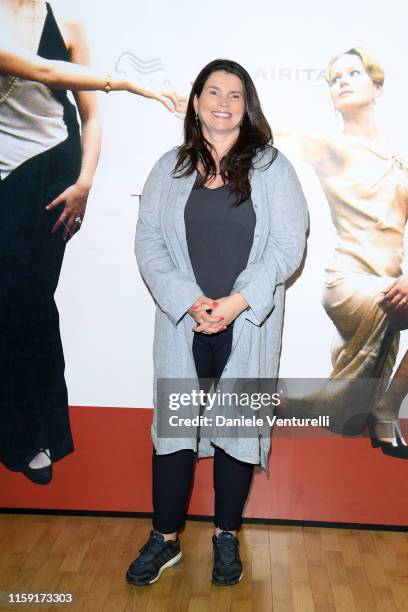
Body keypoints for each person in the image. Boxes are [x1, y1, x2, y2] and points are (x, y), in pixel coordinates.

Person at [128, 58, 308, 587]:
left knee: (235, 431)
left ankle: (226, 536)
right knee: (175, 430)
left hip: (246, 324)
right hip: (184, 323)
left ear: (247, 104)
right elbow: (149, 244)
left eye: (235, 94)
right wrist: (189, 301)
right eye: (213, 92)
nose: (224, 102)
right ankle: (164, 540)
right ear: (197, 102)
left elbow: (286, 246)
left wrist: (236, 302)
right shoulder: (169, 168)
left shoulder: (274, 167)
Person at [0, 0, 180, 485]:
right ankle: (21, 432)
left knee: (30, 301)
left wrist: (84, 183)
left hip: (48, 175)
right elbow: (39, 69)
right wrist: (132, 82)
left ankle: (38, 436)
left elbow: (90, 117)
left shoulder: (68, 23)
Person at [274, 48, 408, 456]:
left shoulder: (398, 159)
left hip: (393, 284)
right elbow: (266, 133)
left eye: (353, 73)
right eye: (335, 79)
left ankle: (381, 407)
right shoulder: (328, 146)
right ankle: (384, 411)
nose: (343, 81)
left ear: (378, 86)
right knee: (346, 407)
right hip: (349, 284)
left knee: (346, 410)